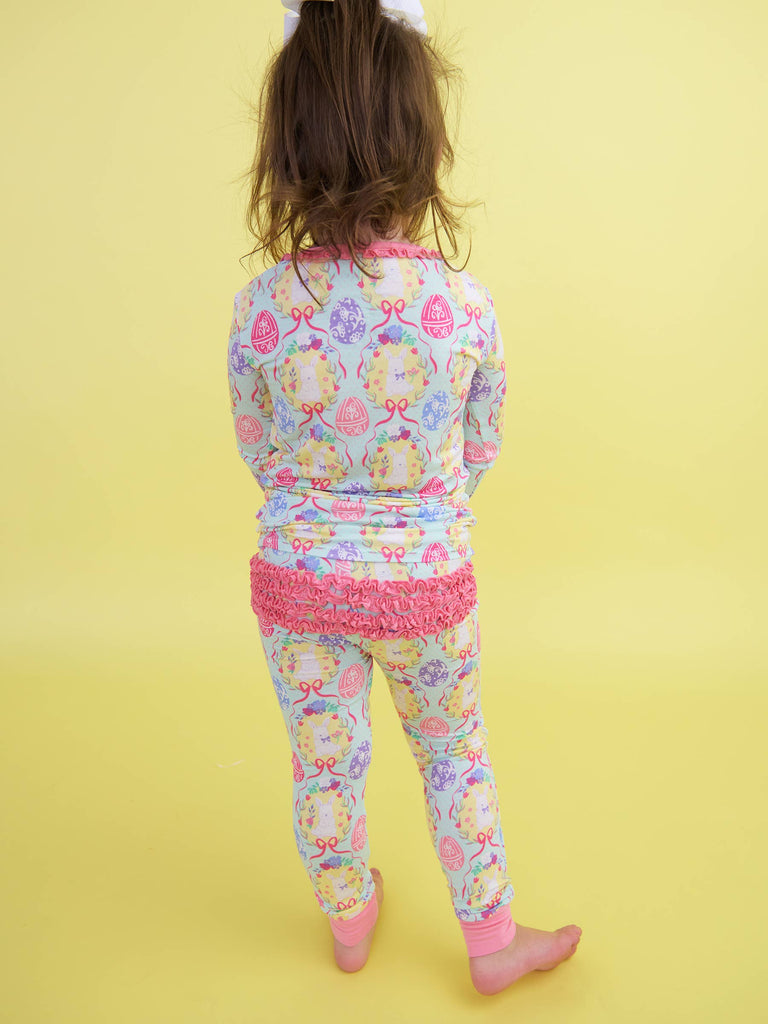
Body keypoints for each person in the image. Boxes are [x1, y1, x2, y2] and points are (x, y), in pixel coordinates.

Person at [227, 0, 581, 995]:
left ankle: (349, 920)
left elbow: (259, 445)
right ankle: (491, 939)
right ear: (423, 141)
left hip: (298, 582)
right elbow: (480, 444)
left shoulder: (261, 308)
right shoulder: (463, 307)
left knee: (323, 761)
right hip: (427, 582)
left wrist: (321, 508)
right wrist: (418, 513)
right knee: (453, 752)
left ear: (285, 146)